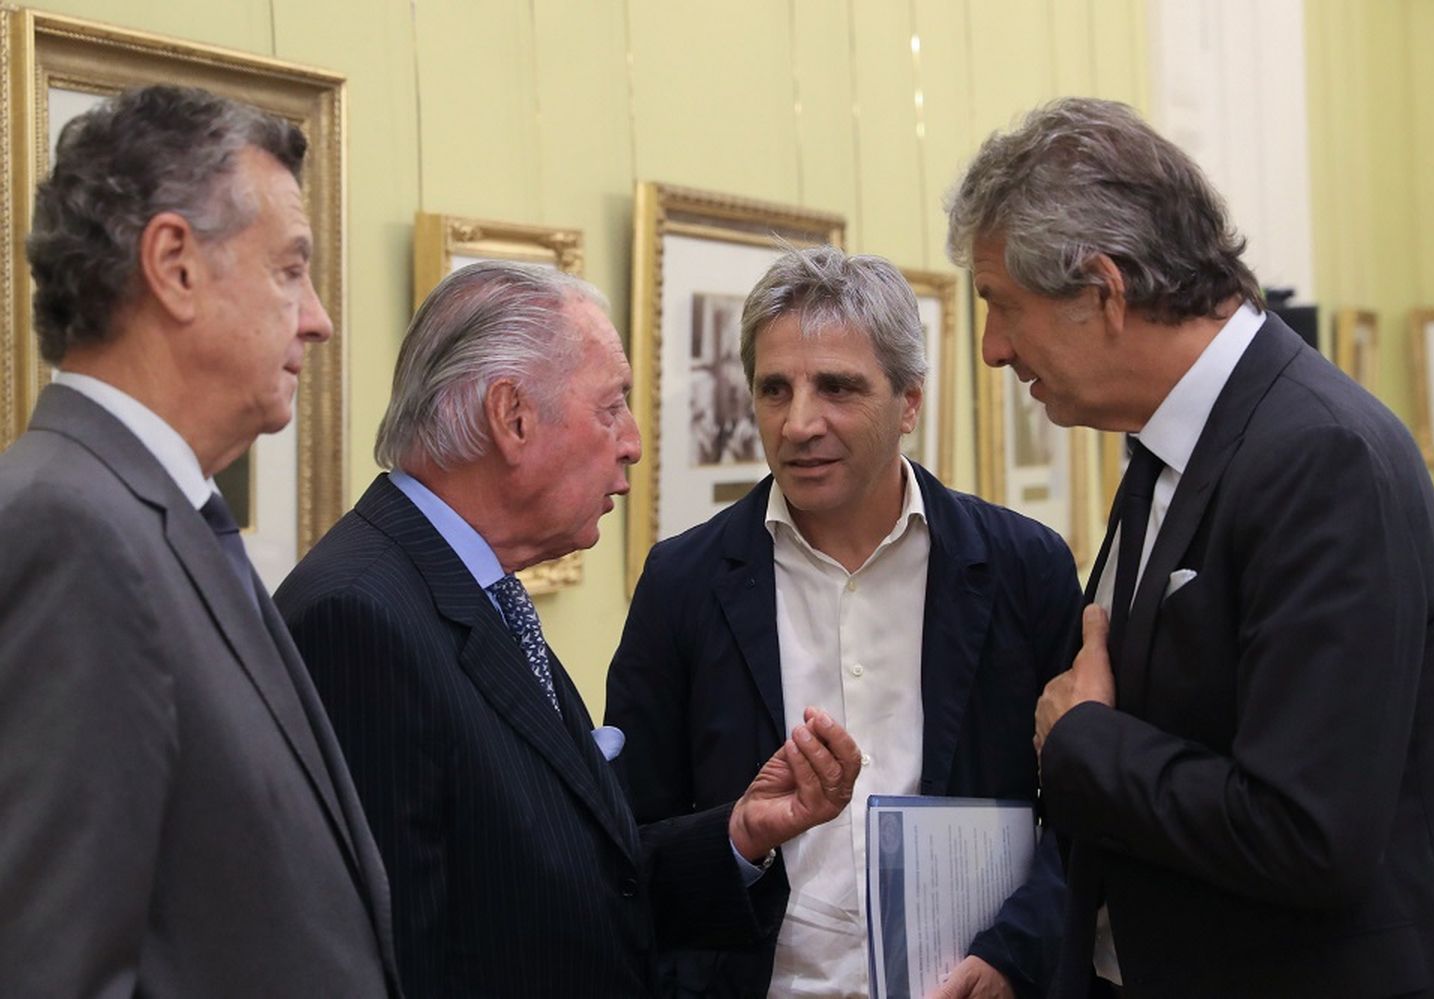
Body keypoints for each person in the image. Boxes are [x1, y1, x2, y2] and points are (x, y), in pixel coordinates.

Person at [947, 96, 1434, 998]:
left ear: (1101, 290)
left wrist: (1082, 741)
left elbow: (1307, 832)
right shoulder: (1173, 443)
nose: (993, 349)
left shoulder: (1322, 456)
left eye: (1003, 306)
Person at [274, 259, 863, 998]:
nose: (634, 442)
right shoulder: (360, 616)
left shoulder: (474, 591)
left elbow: (573, 884)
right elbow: (393, 959)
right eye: (611, 406)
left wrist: (742, 831)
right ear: (512, 416)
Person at [0, 86, 399, 995]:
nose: (319, 317)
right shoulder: (68, 531)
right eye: (290, 269)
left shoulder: (156, 515)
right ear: (174, 264)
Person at [606, 246, 1079, 999]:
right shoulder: (683, 583)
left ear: (911, 401)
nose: (797, 423)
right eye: (774, 389)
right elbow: (629, 844)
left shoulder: (1025, 568)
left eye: (836, 387)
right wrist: (741, 835)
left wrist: (1016, 956)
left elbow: (1085, 822)